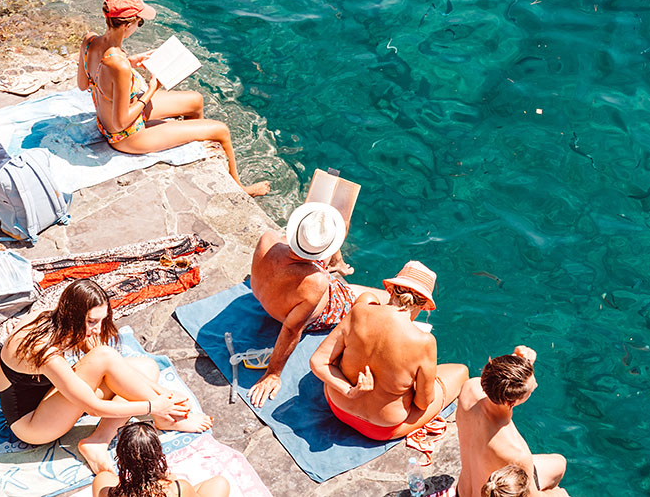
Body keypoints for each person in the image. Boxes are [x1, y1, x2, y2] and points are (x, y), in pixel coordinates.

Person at [0, 278, 213, 474]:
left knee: (147, 367)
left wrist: (162, 393)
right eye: (91, 322)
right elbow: (93, 407)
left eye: (101, 320)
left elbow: (113, 367)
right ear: (73, 314)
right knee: (107, 358)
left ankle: (98, 441)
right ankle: (164, 418)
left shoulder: (63, 320)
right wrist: (152, 406)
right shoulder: (43, 349)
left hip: (50, 399)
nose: (98, 329)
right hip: (33, 425)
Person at [77, 0, 269, 197]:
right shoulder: (119, 65)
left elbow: (83, 84)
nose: (138, 27)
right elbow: (121, 121)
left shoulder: (89, 41)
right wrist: (151, 89)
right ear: (126, 25)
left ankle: (194, 141)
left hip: (105, 122)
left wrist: (131, 61)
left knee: (195, 100)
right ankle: (240, 189)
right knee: (221, 130)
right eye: (139, 22)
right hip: (125, 136)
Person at [248, 202, 387, 407]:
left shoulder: (267, 239)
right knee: (385, 298)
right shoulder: (315, 282)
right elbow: (291, 329)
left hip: (267, 297)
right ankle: (337, 268)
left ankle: (337, 265)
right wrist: (273, 373)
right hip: (300, 312)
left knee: (340, 222)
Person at [309, 260, 469, 440]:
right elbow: (423, 403)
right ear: (423, 305)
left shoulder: (359, 312)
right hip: (381, 428)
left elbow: (317, 362)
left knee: (367, 297)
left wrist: (349, 391)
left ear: (391, 290)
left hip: (338, 406)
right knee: (461, 372)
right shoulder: (424, 341)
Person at [456, 346, 568, 497]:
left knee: (559, 464)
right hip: (490, 493)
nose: (536, 385)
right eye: (531, 389)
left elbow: (495, 377)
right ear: (513, 402)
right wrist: (558, 494)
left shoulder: (469, 388)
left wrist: (518, 361)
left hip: (463, 490)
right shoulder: (516, 452)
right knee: (558, 491)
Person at [91, 421, 229, 497]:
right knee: (219, 484)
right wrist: (167, 480)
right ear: (158, 456)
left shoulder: (106, 493)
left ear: (120, 459)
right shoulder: (178, 488)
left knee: (103, 477)